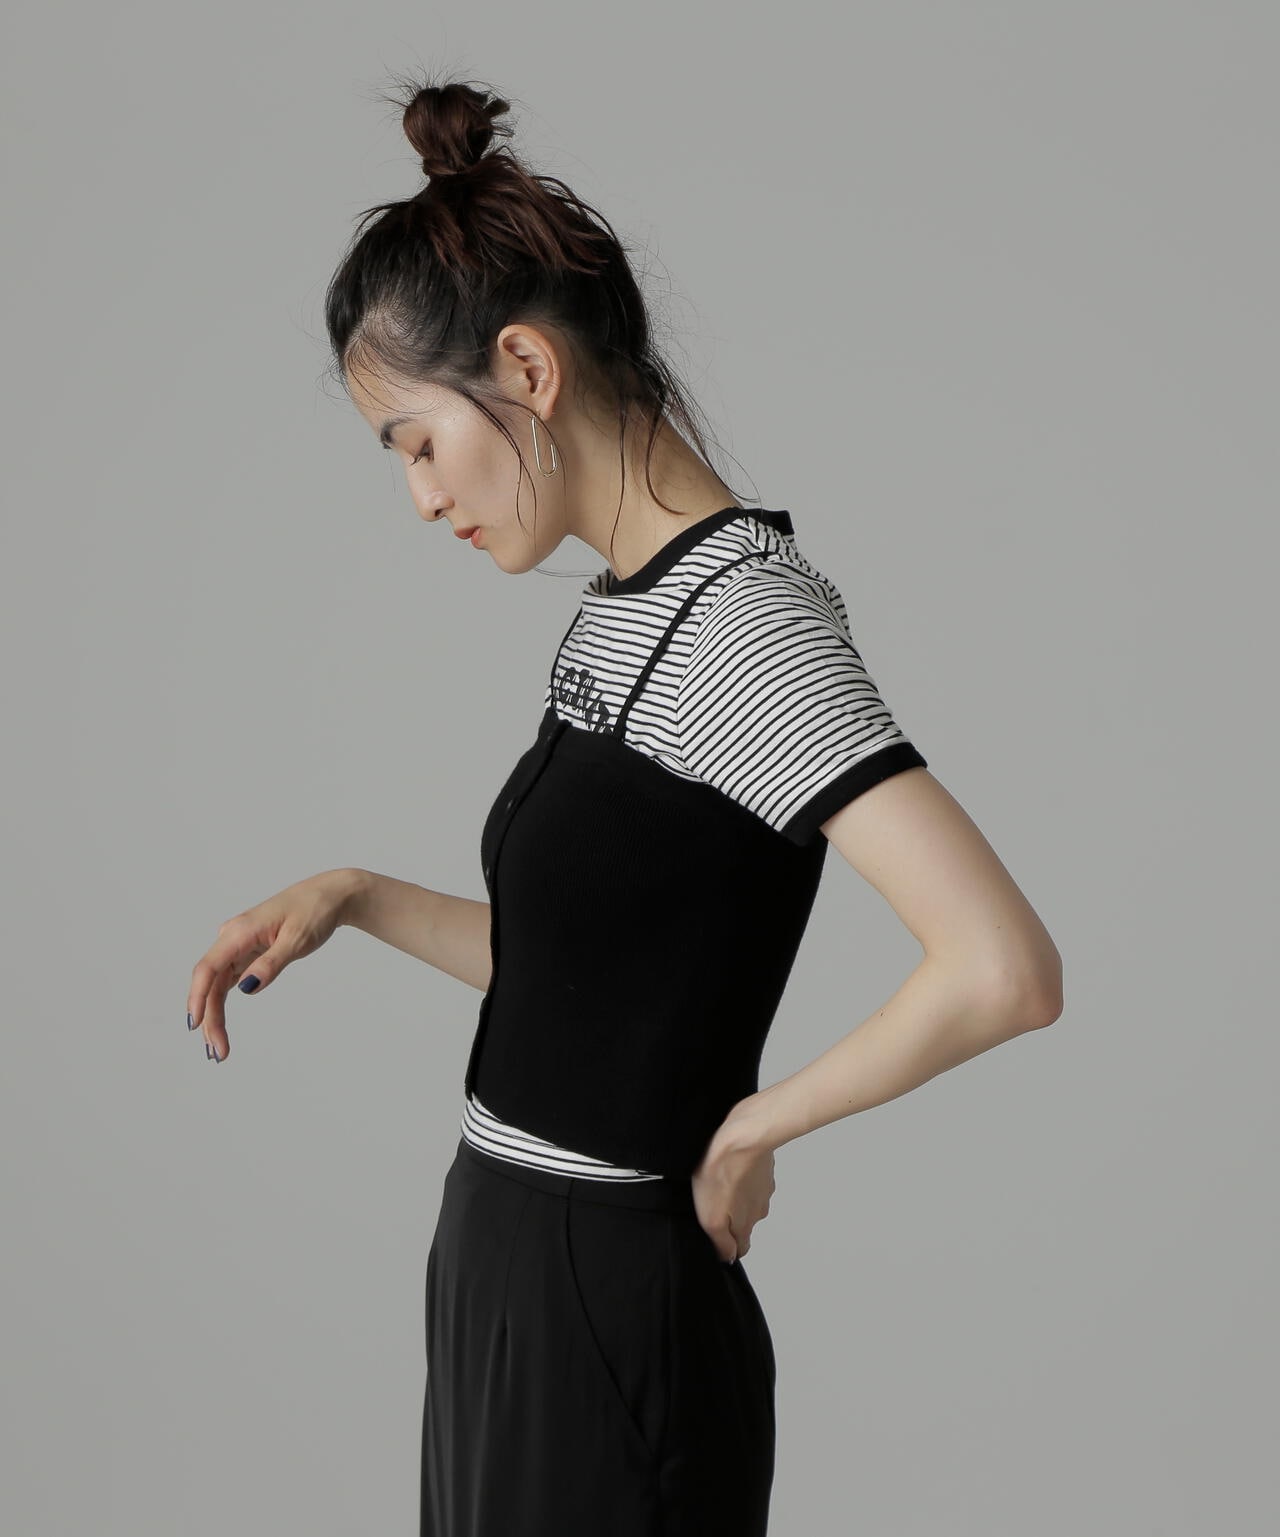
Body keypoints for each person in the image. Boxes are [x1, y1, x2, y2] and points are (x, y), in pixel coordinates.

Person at [185, 73, 1063, 1537]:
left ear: (526, 368)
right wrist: (356, 896)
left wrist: (753, 1130)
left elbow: (1002, 968)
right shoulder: (622, 608)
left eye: (417, 443)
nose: (421, 499)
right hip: (504, 1256)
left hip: (607, 1301)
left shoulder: (746, 622)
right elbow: (589, 976)